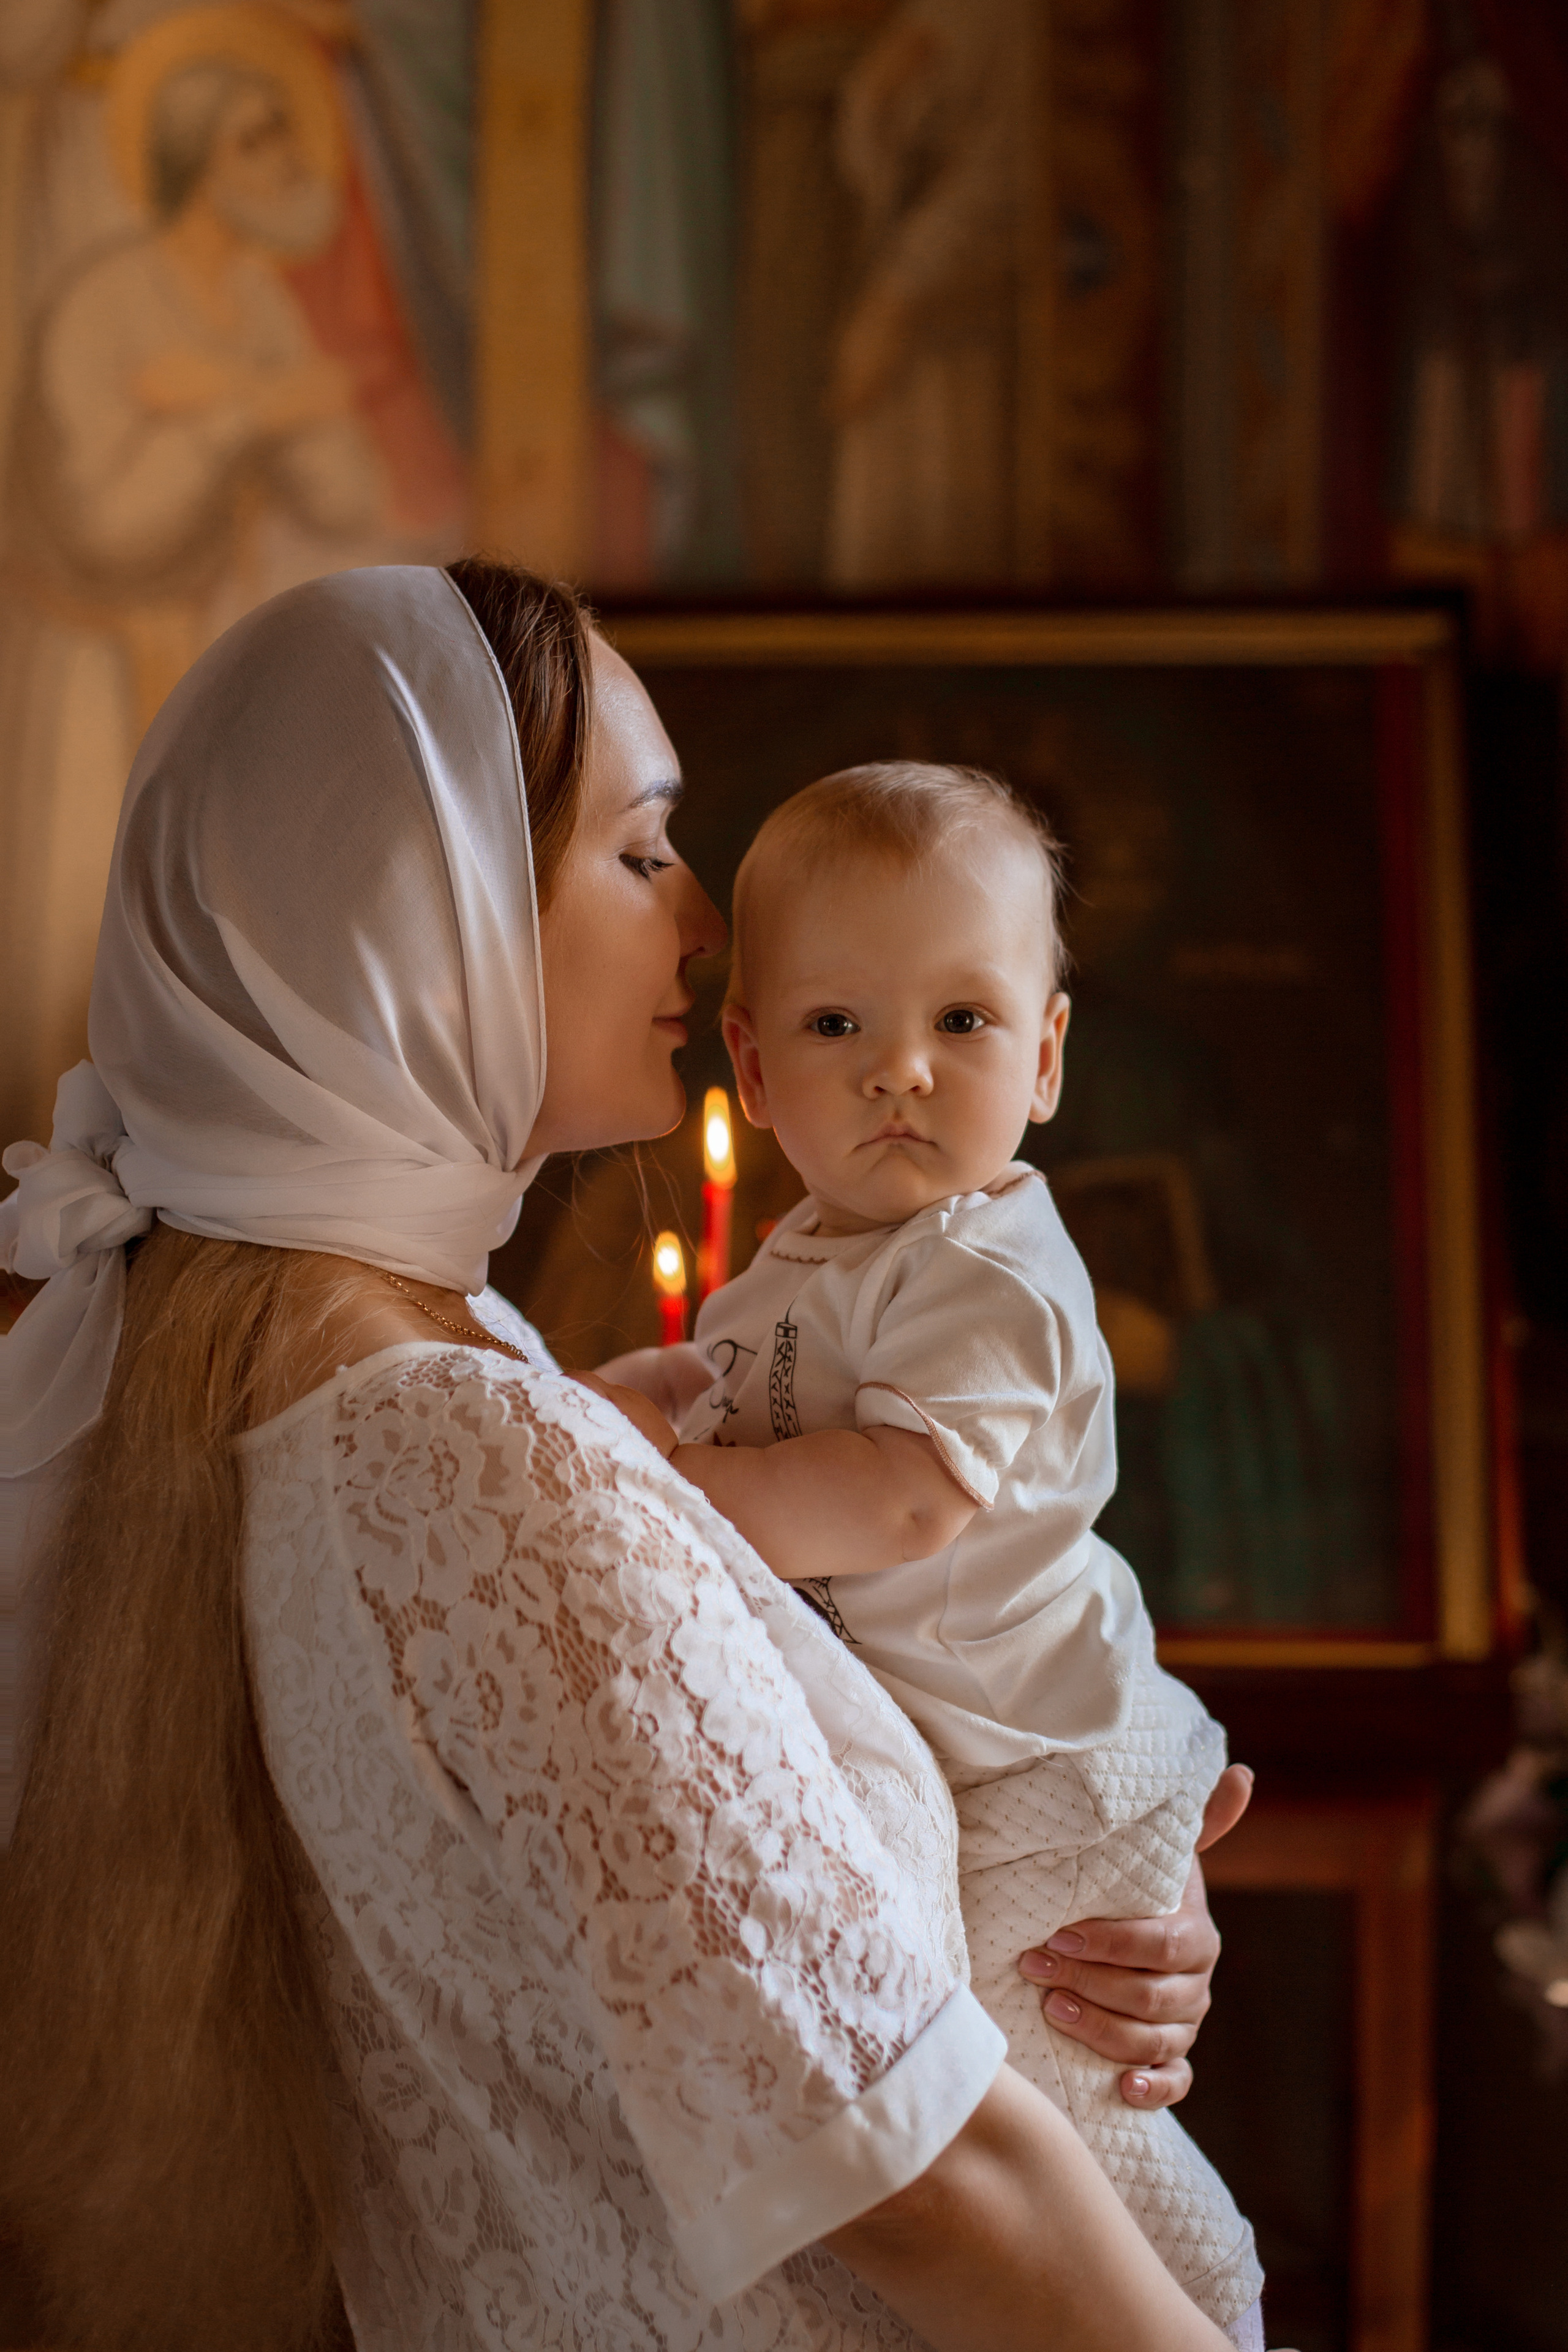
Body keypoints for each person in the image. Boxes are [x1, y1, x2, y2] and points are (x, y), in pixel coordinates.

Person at [0, 561, 1253, 2352]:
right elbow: (936, 2182)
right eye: (643, 850)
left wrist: (1073, 1906)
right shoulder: (475, 1449)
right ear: (429, 912)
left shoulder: (414, 1375)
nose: (700, 929)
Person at [601, 761, 1264, 2343]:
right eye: (840, 1026)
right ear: (752, 1067)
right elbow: (753, 1410)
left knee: (1028, 2116)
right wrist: (645, 1405)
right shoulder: (804, 1266)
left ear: (1043, 1060)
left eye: (962, 1023)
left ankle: (1201, 2298)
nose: (901, 1069)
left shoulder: (985, 1266)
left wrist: (660, 1482)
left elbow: (901, 1499)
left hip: (1040, 1756)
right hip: (960, 1751)